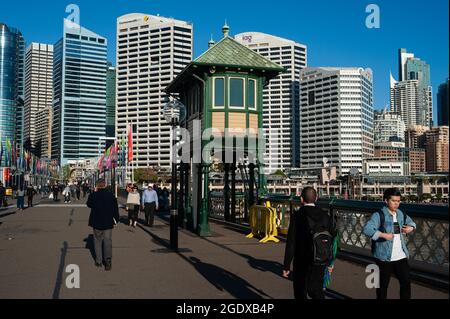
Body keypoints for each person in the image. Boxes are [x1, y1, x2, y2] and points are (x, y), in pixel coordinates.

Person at [283, 187, 337, 299]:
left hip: (301, 259)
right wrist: (330, 262)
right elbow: (333, 240)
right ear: (316, 198)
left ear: (301, 199)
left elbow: (291, 242)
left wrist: (287, 265)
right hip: (320, 258)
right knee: (317, 291)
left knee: (300, 291)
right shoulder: (325, 216)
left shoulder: (297, 216)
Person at [363, 188, 416, 299]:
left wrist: (411, 227)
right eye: (393, 201)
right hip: (383, 257)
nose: (396, 204)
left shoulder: (400, 213)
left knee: (406, 282)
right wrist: (383, 235)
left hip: (400, 256)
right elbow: (367, 229)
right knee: (382, 286)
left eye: (398, 201)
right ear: (386, 201)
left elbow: (411, 222)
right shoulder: (379, 215)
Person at [87, 179, 120, 271]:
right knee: (107, 241)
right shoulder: (111, 195)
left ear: (97, 185)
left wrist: (94, 192)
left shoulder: (94, 195)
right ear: (105, 185)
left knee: (97, 241)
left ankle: (98, 261)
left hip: (96, 221)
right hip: (108, 221)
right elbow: (115, 209)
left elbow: (89, 204)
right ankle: (108, 260)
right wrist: (116, 219)